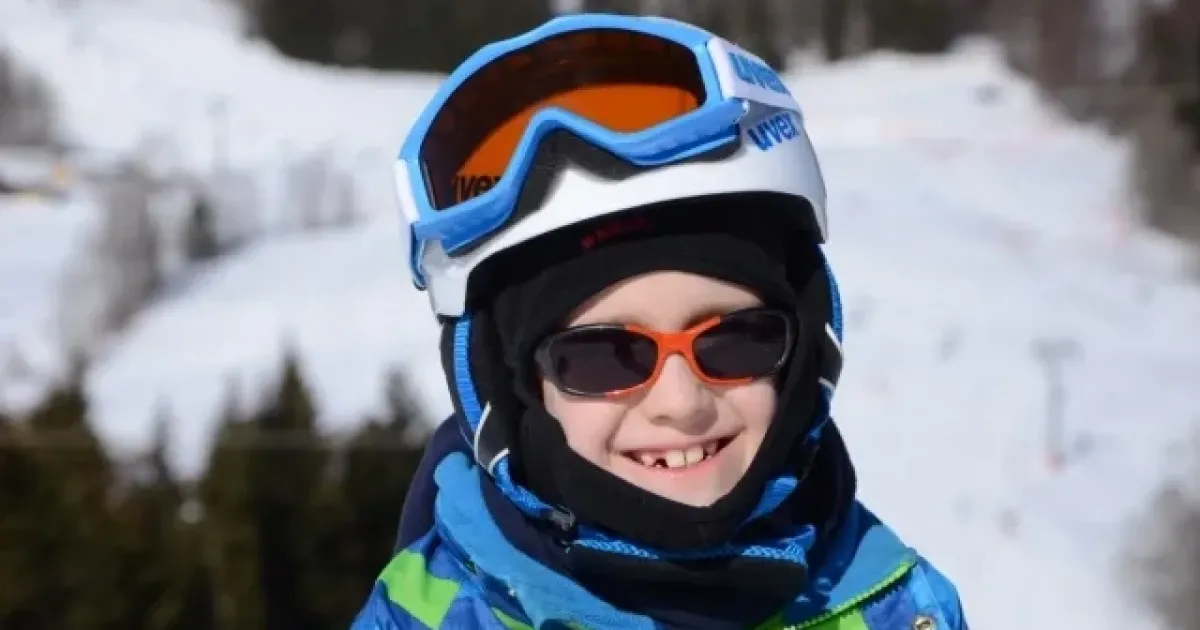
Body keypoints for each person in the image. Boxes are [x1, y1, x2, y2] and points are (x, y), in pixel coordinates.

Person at [352, 12, 968, 630]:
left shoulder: (900, 608)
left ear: (809, 352)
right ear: (510, 391)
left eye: (736, 340)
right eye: (603, 356)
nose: (681, 403)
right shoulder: (422, 618)